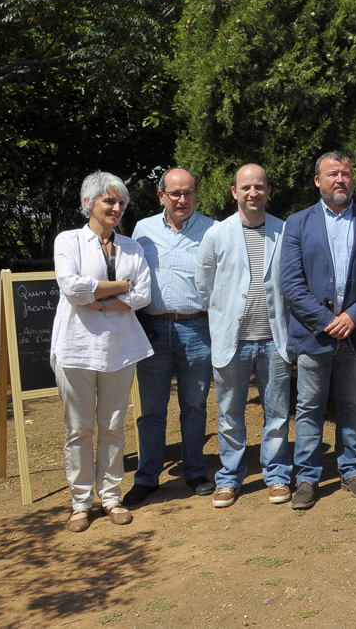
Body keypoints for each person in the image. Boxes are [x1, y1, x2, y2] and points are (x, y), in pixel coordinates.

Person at [281, 150, 356, 509]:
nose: (340, 180)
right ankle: (307, 478)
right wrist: (325, 320)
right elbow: (291, 281)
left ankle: (351, 470)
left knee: (351, 404)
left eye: (345, 173)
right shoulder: (297, 223)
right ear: (318, 181)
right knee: (309, 406)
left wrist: (354, 316)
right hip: (314, 334)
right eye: (332, 174)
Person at [51, 172, 153, 531]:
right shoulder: (68, 241)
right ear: (88, 203)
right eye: (109, 200)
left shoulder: (132, 247)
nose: (116, 207)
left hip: (119, 349)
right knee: (79, 429)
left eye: (121, 202)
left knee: (112, 427)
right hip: (76, 348)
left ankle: (110, 497)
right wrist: (121, 286)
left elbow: (143, 295)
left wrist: (100, 299)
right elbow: (72, 287)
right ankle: (81, 503)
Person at [195, 164, 293, 508]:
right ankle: (229, 477)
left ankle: (277, 474)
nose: (253, 192)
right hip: (232, 341)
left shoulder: (285, 230)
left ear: (268, 191)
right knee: (229, 413)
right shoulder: (216, 234)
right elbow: (203, 285)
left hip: (274, 339)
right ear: (234, 192)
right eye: (246, 187)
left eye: (259, 186)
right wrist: (223, 316)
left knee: (277, 413)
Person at [125, 168, 216, 505]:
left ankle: (194, 471)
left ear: (196, 195)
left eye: (188, 192)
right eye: (175, 193)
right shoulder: (142, 231)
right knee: (151, 410)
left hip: (197, 328)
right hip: (152, 329)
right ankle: (147, 477)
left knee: (194, 406)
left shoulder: (213, 230)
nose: (182, 199)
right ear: (161, 195)